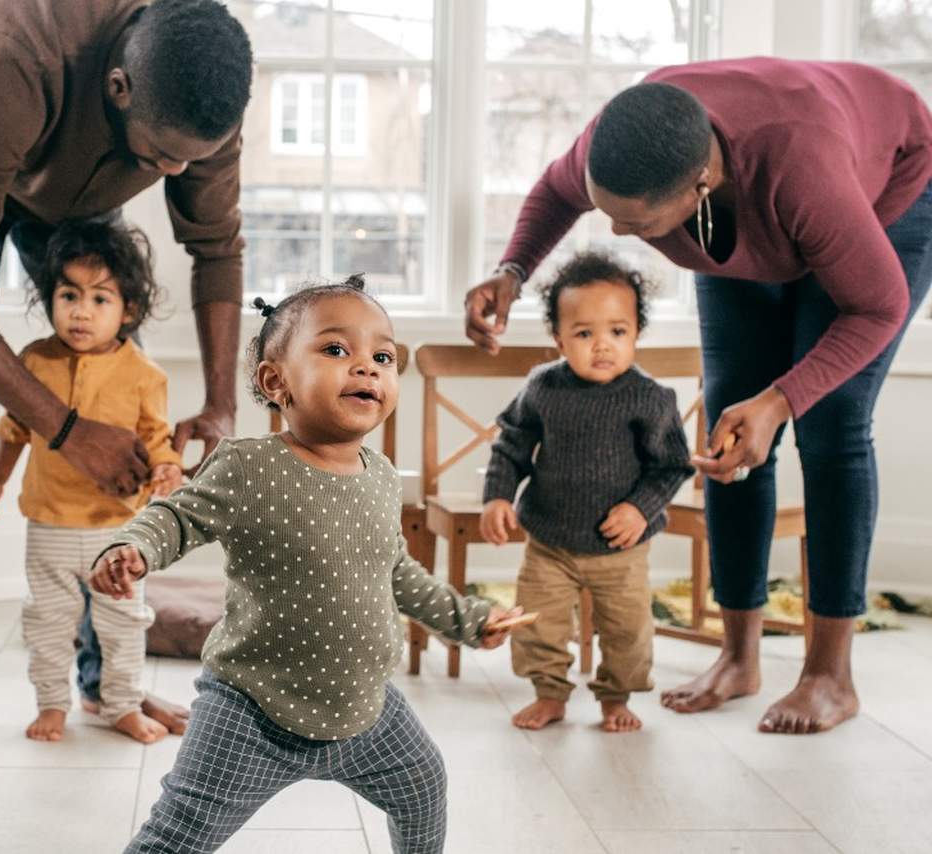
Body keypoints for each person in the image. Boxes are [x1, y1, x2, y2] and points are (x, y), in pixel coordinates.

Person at [464, 58, 932, 734]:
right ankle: (738, 656)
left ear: (700, 183)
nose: (621, 235)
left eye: (638, 222)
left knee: (831, 425)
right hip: (762, 205)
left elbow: (877, 306)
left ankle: (831, 676)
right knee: (727, 433)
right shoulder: (622, 136)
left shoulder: (802, 167)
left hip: (886, 190)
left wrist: (781, 399)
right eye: (610, 215)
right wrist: (512, 271)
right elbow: (557, 191)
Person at [0, 0, 253, 760]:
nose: (177, 174)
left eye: (193, 157)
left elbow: (216, 245)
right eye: (163, 157)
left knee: (113, 379)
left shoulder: (200, 82)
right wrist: (67, 430)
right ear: (118, 88)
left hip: (71, 166)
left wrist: (218, 404)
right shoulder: (18, 56)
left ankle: (106, 675)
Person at [89, 279, 522, 853]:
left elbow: (396, 573)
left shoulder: (383, 477)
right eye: (337, 350)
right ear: (276, 381)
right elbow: (176, 517)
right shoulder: (248, 465)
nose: (366, 368)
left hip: (365, 708)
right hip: (252, 714)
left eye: (383, 357)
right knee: (175, 838)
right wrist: (135, 547)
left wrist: (468, 620)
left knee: (423, 787)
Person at [0, 219, 182, 744]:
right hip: (49, 525)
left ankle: (122, 705)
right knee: (47, 624)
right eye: (69, 295)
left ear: (128, 310)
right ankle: (52, 705)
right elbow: (14, 429)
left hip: (119, 530)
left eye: (100, 299)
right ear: (51, 300)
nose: (81, 311)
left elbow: (156, 438)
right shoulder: (35, 362)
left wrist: (168, 468)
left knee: (124, 623)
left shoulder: (144, 375)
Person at [480, 252, 693, 733]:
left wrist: (640, 510)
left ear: (636, 332)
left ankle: (616, 697)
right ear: (558, 339)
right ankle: (550, 693)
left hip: (620, 548)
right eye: (584, 333)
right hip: (549, 539)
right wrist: (497, 496)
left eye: (617, 332)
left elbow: (672, 466)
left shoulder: (649, 398)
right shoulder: (543, 388)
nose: (602, 345)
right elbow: (512, 445)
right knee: (539, 623)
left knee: (627, 631)